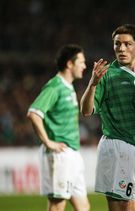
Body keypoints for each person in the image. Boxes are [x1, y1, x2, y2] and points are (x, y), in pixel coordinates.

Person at [80, 24, 135, 211]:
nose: (121, 49)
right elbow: (86, 111)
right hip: (117, 147)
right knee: (120, 206)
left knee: (134, 206)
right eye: (117, 44)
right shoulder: (107, 75)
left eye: (127, 44)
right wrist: (92, 84)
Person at [27, 44, 90, 211]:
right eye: (81, 62)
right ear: (70, 64)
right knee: (57, 206)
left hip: (72, 154)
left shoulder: (68, 87)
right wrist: (48, 142)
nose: (84, 66)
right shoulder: (55, 86)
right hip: (59, 155)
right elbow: (34, 113)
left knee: (83, 207)